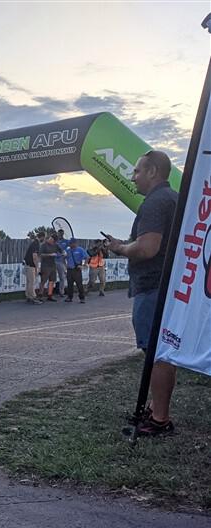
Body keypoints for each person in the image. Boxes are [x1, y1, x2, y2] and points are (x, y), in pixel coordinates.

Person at [107, 150, 178, 436]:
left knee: (156, 352)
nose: (132, 176)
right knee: (163, 352)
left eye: (137, 171)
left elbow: (148, 248)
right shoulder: (172, 198)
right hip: (166, 284)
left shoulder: (155, 202)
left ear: (152, 172)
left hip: (152, 285)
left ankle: (159, 419)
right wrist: (124, 244)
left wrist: (123, 249)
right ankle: (156, 410)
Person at [38, 234, 62, 301]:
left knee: (52, 280)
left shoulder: (56, 245)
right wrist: (50, 255)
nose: (51, 241)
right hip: (45, 265)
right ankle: (40, 295)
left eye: (53, 241)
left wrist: (63, 252)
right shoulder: (43, 245)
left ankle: (50, 295)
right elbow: (40, 254)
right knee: (43, 280)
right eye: (50, 239)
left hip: (53, 265)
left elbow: (61, 251)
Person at [63, 238, 87, 303]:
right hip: (69, 270)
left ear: (75, 243)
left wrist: (83, 265)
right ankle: (69, 297)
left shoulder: (80, 249)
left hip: (77, 270)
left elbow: (87, 257)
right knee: (69, 284)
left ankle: (82, 298)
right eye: (69, 243)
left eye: (71, 243)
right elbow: (63, 257)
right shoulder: (68, 250)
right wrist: (65, 265)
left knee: (79, 285)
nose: (70, 244)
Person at [23, 232, 43, 304]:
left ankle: (28, 296)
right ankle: (33, 297)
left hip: (27, 264)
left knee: (28, 282)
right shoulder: (36, 243)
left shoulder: (33, 243)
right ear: (42, 237)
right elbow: (34, 256)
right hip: (31, 265)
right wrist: (36, 267)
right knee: (32, 282)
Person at [55, 228, 69, 296]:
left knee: (62, 278)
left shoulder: (66, 241)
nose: (60, 235)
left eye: (61, 233)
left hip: (61, 261)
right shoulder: (55, 241)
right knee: (51, 278)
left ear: (63, 234)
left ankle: (61, 292)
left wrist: (66, 253)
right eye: (59, 233)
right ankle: (50, 292)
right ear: (57, 234)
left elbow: (70, 248)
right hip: (53, 261)